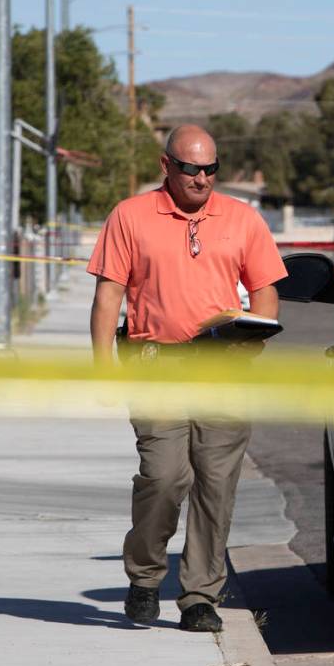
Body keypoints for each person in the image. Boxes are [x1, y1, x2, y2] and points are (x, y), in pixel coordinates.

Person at [87, 124, 287, 632]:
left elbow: (265, 291)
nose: (201, 178)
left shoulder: (242, 219)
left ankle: (200, 596)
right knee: (165, 476)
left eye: (210, 169)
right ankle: (145, 576)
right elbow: (109, 296)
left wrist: (250, 342)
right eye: (191, 168)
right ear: (166, 166)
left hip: (222, 370)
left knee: (216, 485)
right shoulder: (130, 216)